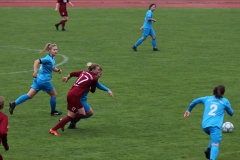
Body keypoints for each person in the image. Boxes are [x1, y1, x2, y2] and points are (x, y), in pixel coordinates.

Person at [9, 43, 63, 116]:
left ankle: (14, 104)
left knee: (29, 95)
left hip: (38, 80)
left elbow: (52, 67)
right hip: (44, 81)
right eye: (54, 50)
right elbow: (36, 61)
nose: (56, 51)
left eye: (56, 49)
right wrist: (35, 71)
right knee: (54, 95)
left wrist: (57, 70)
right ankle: (53, 111)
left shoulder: (52, 58)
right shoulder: (47, 59)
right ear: (50, 50)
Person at [49, 62, 101, 136]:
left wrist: (67, 78)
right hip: (74, 96)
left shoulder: (84, 72)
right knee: (70, 116)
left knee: (82, 114)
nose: (99, 71)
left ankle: (63, 121)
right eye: (98, 70)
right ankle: (53, 129)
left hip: (72, 94)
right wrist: (89, 86)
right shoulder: (94, 79)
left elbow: (72, 73)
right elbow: (93, 91)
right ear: (92, 70)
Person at [184, 85, 234, 160]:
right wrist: (227, 107)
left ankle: (209, 149)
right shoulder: (225, 101)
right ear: (223, 93)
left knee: (215, 136)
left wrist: (189, 110)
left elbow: (196, 101)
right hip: (215, 126)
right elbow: (231, 113)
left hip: (205, 126)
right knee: (216, 143)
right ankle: (211, 154)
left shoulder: (207, 98)